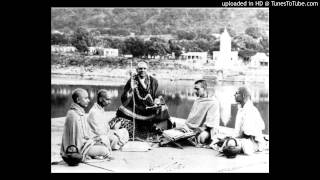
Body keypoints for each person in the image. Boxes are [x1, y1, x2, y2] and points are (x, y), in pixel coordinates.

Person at [110, 61, 172, 139]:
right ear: (137, 70)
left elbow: (157, 94)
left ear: (147, 69)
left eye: (144, 68)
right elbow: (124, 97)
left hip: (150, 106)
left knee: (163, 108)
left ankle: (160, 128)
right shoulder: (132, 81)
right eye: (140, 69)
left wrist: (157, 100)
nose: (142, 70)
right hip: (137, 107)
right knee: (122, 111)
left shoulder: (153, 81)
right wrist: (131, 89)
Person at [60, 88, 112, 162]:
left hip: (85, 144)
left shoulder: (80, 112)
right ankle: (91, 155)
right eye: (86, 98)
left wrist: (94, 139)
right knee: (104, 150)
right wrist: (91, 141)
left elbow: (86, 134)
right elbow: (76, 142)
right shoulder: (73, 115)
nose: (88, 100)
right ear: (78, 100)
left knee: (104, 140)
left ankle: (95, 153)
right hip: (78, 149)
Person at [219, 87, 266, 155]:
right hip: (243, 139)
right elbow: (239, 132)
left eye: (237, 93)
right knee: (224, 141)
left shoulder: (250, 110)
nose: (234, 95)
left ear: (243, 95)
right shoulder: (241, 109)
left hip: (251, 143)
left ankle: (233, 148)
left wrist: (231, 138)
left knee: (230, 143)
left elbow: (247, 135)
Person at [178, 79, 220, 145]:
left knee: (202, 138)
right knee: (180, 130)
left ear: (204, 89)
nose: (195, 91)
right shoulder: (197, 100)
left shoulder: (213, 102)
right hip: (194, 128)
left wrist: (199, 129)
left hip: (207, 129)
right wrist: (186, 126)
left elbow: (210, 123)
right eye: (194, 89)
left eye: (197, 89)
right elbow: (191, 118)